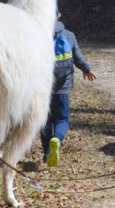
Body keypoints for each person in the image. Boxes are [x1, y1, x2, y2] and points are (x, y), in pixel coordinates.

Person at [41, 12, 96, 167]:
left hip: (42, 89)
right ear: (58, 15)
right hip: (62, 88)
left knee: (45, 121)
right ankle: (57, 139)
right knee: (62, 119)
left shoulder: (36, 35)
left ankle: (47, 153)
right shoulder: (69, 35)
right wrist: (87, 69)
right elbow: (77, 57)